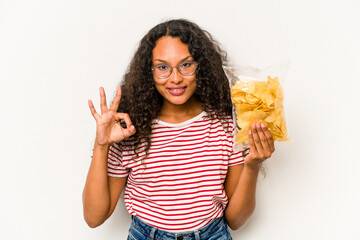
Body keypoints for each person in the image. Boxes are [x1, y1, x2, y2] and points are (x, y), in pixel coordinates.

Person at [82, 19, 275, 240]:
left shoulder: (225, 123)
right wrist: (102, 145)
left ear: (201, 66)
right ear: (149, 72)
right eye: (163, 67)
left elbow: (236, 220)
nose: (175, 78)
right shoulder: (129, 130)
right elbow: (94, 217)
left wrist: (252, 165)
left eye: (186, 65)